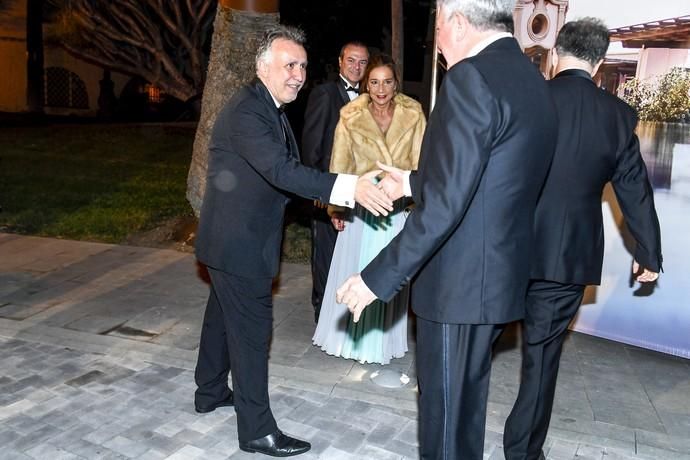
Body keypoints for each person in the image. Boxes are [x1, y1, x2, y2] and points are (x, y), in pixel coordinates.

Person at [335, 1, 558, 458]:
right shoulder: (531, 80)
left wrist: (376, 278)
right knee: (464, 414)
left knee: (444, 425)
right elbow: (490, 174)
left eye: (436, 28)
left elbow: (446, 205)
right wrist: (411, 181)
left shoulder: (470, 78)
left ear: (458, 22)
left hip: (458, 285)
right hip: (495, 279)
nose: (434, 40)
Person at [192, 25, 393, 458]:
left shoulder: (269, 107)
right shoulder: (249, 112)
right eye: (289, 65)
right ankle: (257, 430)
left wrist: (327, 204)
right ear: (263, 67)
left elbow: (282, 177)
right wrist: (348, 188)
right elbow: (282, 171)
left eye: (302, 65)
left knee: (221, 318)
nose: (298, 75)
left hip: (231, 240)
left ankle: (208, 391)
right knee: (250, 333)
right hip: (239, 244)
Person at [502, 18, 663, 460]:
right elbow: (636, 190)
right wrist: (649, 250)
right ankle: (522, 455)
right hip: (565, 258)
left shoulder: (527, 98)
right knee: (541, 361)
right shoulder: (616, 117)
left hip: (502, 248)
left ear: (555, 54)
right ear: (600, 62)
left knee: (474, 344)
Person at [312, 54, 426, 364]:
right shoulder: (350, 115)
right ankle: (352, 342)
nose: (380, 89)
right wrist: (336, 208)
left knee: (388, 271)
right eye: (374, 82)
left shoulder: (414, 113)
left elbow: (420, 164)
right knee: (359, 269)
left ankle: (380, 345)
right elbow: (339, 164)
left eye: (387, 82)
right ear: (366, 84)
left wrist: (417, 204)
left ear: (395, 83)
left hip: (397, 207)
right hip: (363, 207)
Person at [302, 41, 370, 323]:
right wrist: (317, 188)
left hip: (360, 190)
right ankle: (323, 313)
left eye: (362, 62)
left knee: (352, 255)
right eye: (351, 60)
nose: (356, 67)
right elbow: (312, 144)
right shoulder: (324, 94)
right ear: (340, 61)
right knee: (326, 257)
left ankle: (347, 312)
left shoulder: (371, 97)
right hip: (329, 189)